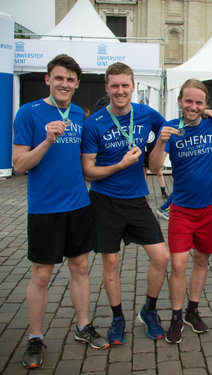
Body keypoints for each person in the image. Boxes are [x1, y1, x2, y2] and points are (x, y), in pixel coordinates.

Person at [13, 54, 109, 369]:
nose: (64, 84)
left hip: (79, 205)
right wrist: (46, 141)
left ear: (76, 84)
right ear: (48, 80)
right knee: (41, 275)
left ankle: (83, 326)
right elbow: (18, 166)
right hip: (45, 210)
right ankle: (35, 338)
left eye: (70, 80)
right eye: (59, 78)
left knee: (80, 268)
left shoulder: (80, 114)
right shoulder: (29, 113)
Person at [81, 62, 170, 345]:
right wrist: (120, 165)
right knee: (111, 261)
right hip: (104, 201)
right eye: (115, 86)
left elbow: (172, 126)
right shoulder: (93, 123)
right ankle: (117, 318)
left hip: (137, 200)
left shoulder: (146, 114)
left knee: (161, 257)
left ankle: (149, 311)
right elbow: (88, 171)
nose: (120, 91)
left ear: (133, 87)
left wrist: (206, 114)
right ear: (107, 88)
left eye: (125, 85)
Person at [148, 79, 212, 344]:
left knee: (202, 261)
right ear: (180, 101)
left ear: (205, 105)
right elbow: (153, 165)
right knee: (179, 264)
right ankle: (176, 316)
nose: (193, 106)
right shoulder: (169, 128)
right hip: (181, 209)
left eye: (199, 102)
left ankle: (192, 310)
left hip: (211, 207)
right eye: (188, 101)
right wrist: (160, 142)